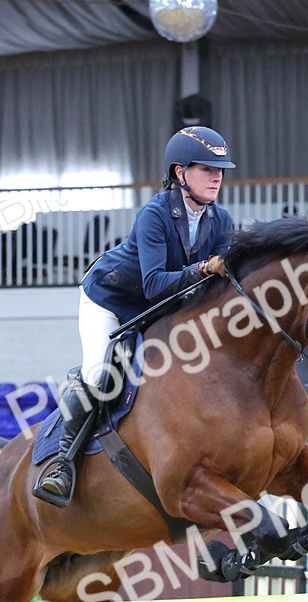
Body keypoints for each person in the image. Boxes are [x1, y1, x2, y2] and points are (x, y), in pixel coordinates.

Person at [36, 126, 236, 506]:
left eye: (221, 170)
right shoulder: (155, 214)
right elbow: (156, 283)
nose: (217, 177)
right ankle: (62, 464)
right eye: (207, 168)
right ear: (180, 173)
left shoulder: (221, 221)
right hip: (111, 301)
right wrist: (204, 270)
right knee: (99, 374)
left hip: (158, 309)